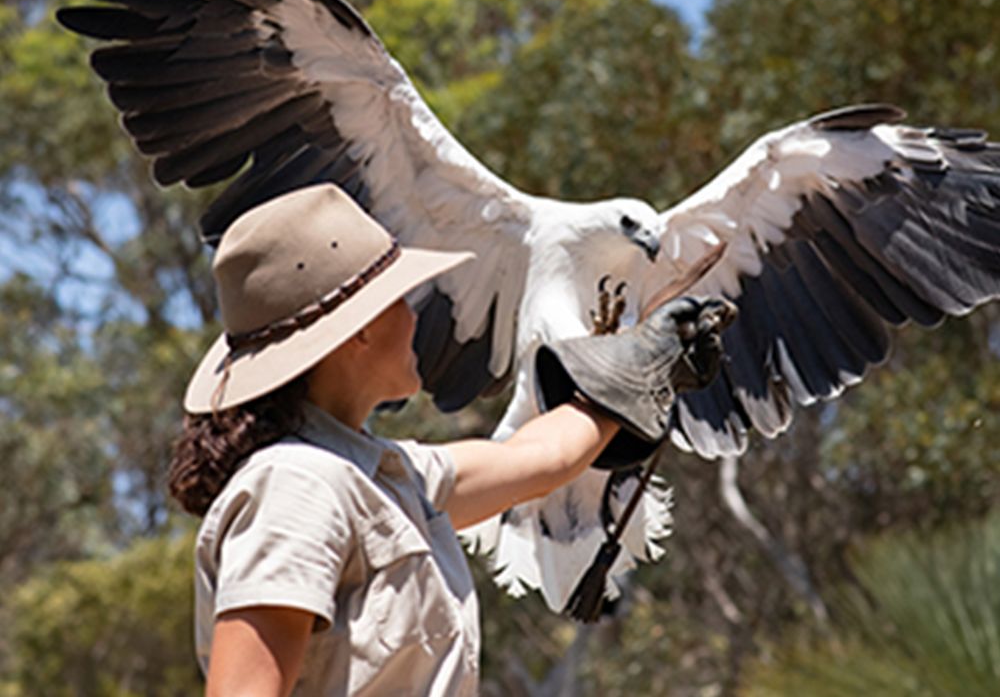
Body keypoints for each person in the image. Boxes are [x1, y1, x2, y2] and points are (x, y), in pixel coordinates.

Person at [168, 183, 727, 696]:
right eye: (398, 297)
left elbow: (538, 459)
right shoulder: (296, 488)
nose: (417, 314)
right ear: (358, 329)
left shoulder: (388, 476)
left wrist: (643, 362)